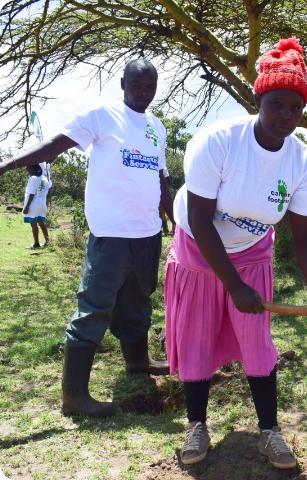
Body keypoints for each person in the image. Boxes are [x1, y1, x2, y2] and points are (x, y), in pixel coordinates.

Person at [164, 38, 307, 469]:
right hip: (198, 248)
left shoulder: (301, 162)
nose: (287, 117)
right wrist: (233, 285)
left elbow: (305, 233)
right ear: (259, 99)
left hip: (252, 251)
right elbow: (201, 221)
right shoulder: (218, 142)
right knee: (197, 336)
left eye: (296, 109)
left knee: (258, 342)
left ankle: (269, 432)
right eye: (278, 105)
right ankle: (197, 425)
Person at [0, 59, 174, 417]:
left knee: (139, 298)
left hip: (146, 233)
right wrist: (6, 165)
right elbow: (54, 146)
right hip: (110, 233)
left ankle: (138, 362)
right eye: (137, 86)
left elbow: (161, 179)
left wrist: (175, 219)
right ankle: (74, 397)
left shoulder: (157, 127)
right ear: (122, 83)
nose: (143, 94)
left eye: (150, 87)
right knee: (95, 307)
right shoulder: (102, 115)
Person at [22, 164, 51, 248]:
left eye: (29, 169)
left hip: (33, 203)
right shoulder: (44, 178)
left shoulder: (33, 178)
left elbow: (31, 193)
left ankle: (36, 243)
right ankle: (48, 241)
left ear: (34, 169)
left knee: (33, 224)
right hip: (42, 203)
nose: (28, 171)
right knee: (41, 222)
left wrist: (27, 206)